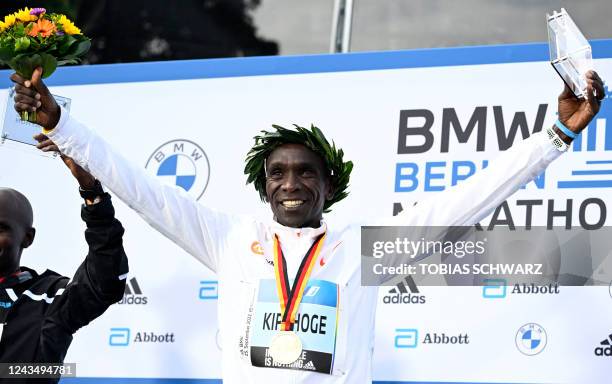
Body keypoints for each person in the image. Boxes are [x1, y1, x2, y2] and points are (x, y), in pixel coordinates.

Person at [9, 67, 605, 383]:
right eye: (277, 174)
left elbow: (468, 200)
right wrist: (64, 128)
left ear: (329, 185)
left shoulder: (364, 249)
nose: (290, 183)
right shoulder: (230, 240)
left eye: (304, 174)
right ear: (263, 184)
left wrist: (556, 136)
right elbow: (141, 190)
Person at [0, 151, 128, 383]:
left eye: (1, 229)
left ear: (27, 238)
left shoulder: (49, 296)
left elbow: (104, 281)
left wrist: (93, 195)